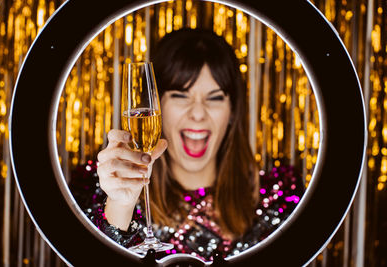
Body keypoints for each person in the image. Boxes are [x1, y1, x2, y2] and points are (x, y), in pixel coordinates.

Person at [69, 28, 304, 262]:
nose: (198, 114)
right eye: (180, 96)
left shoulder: (280, 196)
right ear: (157, 105)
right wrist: (120, 207)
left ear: (232, 111)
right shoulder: (98, 188)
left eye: (214, 98)